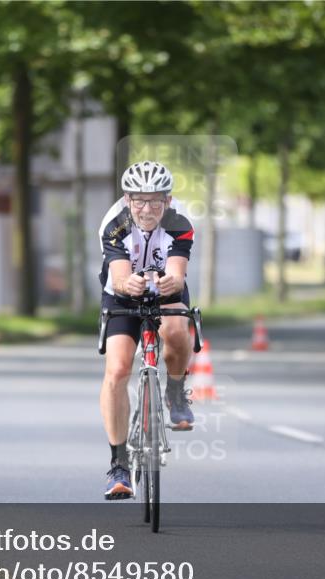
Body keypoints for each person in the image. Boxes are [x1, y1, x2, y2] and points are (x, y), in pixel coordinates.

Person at [98, 161, 195, 500]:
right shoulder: (114, 225)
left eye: (156, 200)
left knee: (178, 328)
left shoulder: (180, 222)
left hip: (165, 287)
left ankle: (176, 389)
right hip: (122, 291)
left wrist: (171, 281)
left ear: (167, 201)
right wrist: (131, 283)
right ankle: (118, 463)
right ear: (127, 199)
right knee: (118, 369)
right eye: (140, 200)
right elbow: (121, 275)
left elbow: (178, 272)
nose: (147, 208)